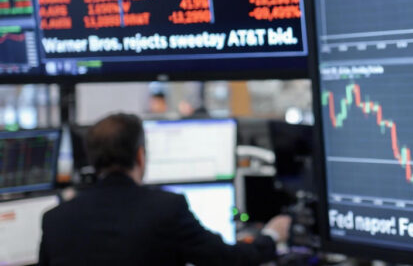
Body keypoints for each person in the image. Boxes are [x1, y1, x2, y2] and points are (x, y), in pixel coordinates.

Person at [38, 113, 291, 266]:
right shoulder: (166, 209)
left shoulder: (55, 220)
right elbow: (227, 260)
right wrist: (270, 236)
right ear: (140, 155)